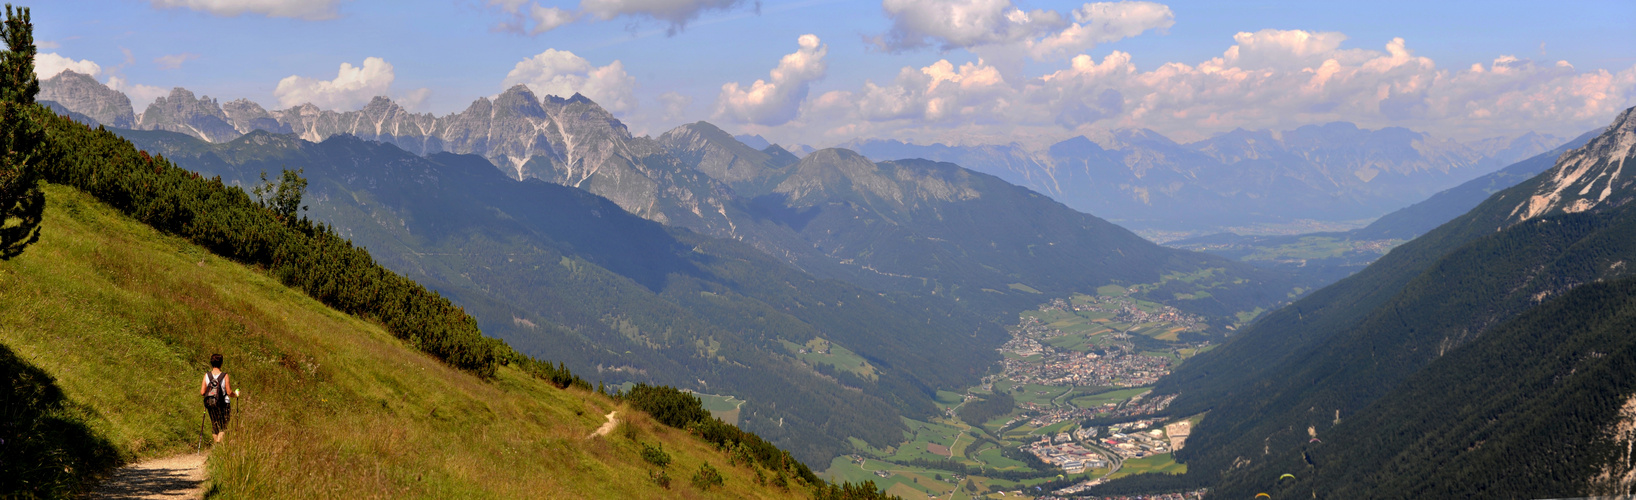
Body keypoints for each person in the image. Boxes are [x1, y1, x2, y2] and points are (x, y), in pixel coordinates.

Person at [199, 353, 239, 443]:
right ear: (221, 363)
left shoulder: (207, 375)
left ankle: (216, 443)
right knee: (223, 426)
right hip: (224, 404)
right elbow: (229, 392)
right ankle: (218, 443)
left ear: (211, 363)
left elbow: (202, 392)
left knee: (214, 425)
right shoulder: (224, 376)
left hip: (210, 403)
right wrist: (236, 394)